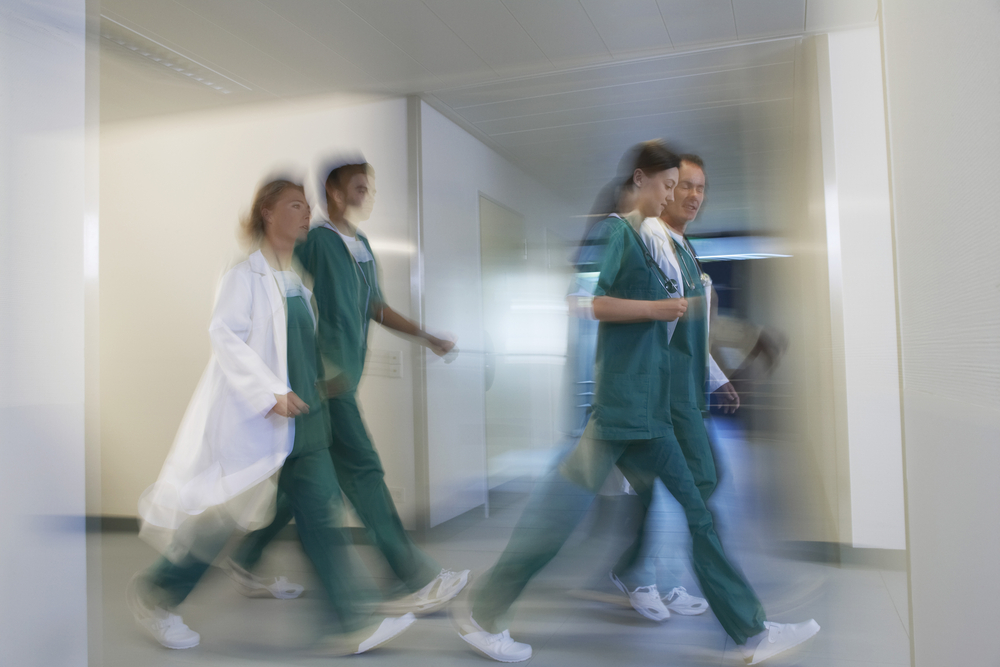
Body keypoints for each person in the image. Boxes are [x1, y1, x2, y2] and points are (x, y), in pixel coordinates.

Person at [453, 142, 819, 665]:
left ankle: (748, 631)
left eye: (689, 187)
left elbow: (681, 331)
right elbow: (595, 304)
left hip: (651, 413)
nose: (682, 195)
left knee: (697, 513)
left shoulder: (666, 248)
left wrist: (713, 371)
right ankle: (486, 609)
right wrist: (662, 309)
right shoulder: (626, 233)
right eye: (672, 185)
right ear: (643, 184)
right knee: (557, 520)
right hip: (620, 412)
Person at [128, 178, 415, 654]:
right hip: (259, 420)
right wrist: (270, 392)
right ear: (267, 212)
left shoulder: (295, 282)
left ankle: (352, 621)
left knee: (321, 515)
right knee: (218, 521)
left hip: (306, 424)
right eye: (295, 205)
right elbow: (226, 338)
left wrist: (323, 379)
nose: (306, 214)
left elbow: (295, 349)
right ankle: (156, 594)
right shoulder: (245, 276)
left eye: (306, 206)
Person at [229, 157, 469, 615]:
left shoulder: (360, 246)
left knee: (303, 484)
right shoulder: (316, 241)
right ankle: (411, 577)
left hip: (343, 383)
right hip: (322, 385)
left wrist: (427, 335)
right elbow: (281, 289)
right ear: (335, 193)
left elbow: (374, 306)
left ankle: (243, 555)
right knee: (363, 472)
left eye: (369, 187)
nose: (367, 194)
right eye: (360, 186)